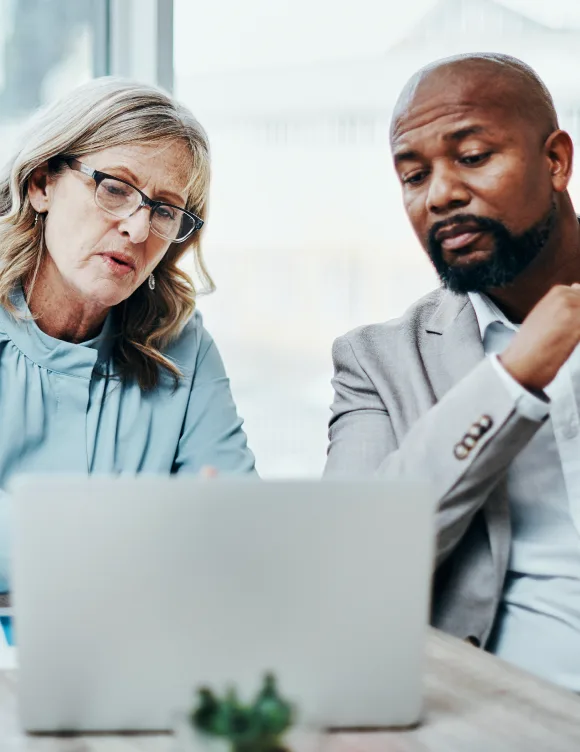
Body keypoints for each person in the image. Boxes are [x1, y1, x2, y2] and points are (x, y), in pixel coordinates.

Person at [325, 52, 580, 691]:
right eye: (413, 175)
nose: (440, 194)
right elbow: (348, 568)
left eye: (472, 157)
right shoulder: (376, 362)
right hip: (510, 712)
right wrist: (514, 378)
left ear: (556, 161)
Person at [0, 77, 256, 592]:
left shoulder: (183, 345)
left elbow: (235, 537)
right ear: (41, 183)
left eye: (164, 210)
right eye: (115, 189)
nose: (138, 230)